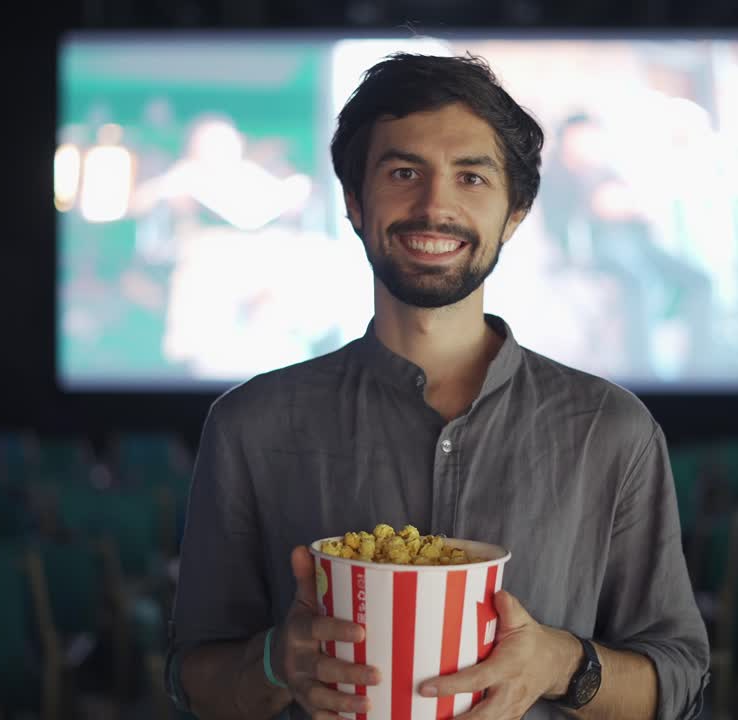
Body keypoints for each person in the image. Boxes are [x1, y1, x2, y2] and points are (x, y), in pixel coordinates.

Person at [165, 52, 709, 720]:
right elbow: (195, 681)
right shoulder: (250, 425)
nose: (435, 205)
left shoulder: (612, 431)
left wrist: (559, 664)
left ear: (515, 212)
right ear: (356, 203)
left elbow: (678, 680)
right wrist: (277, 661)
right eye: (403, 172)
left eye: (472, 176)